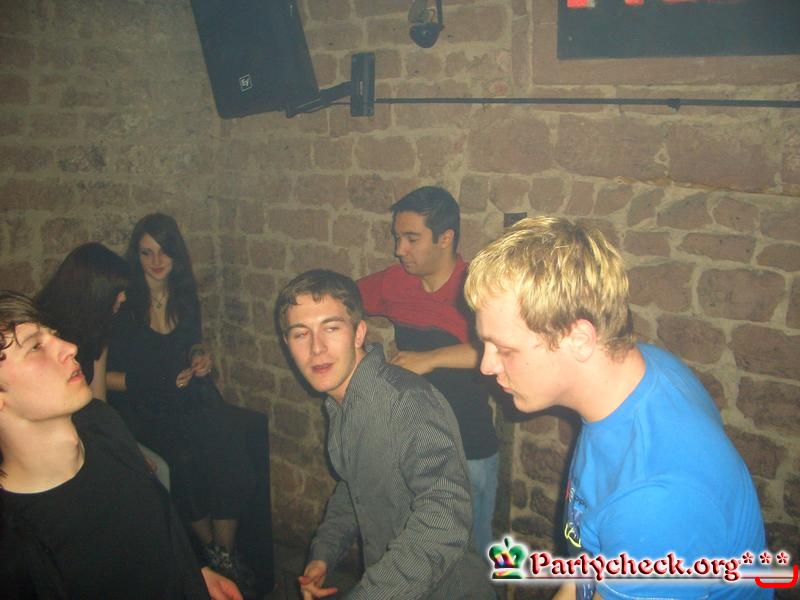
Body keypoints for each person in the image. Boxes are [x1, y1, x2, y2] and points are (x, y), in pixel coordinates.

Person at [463, 216, 769, 599]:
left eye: (504, 348)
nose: (486, 365)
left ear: (579, 339)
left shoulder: (656, 504)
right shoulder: (645, 369)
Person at [0, 290, 241, 600]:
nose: (70, 347)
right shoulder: (16, 541)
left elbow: (160, 514)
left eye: (54, 335)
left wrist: (198, 570)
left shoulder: (100, 422)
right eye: (35, 347)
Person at [276, 269, 495, 600]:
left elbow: (445, 518)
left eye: (331, 328)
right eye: (300, 334)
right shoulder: (343, 402)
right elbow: (355, 487)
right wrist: (323, 553)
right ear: (287, 345)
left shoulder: (407, 402)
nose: (316, 348)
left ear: (358, 333)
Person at [106, 213, 258, 591]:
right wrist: (149, 382)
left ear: (177, 254)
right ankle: (210, 550)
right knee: (184, 457)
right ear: (136, 256)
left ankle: (223, 555)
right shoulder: (123, 303)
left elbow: (192, 343)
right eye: (147, 253)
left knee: (230, 447)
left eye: (164, 251)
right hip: (144, 403)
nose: (157, 261)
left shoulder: (184, 295)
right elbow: (105, 375)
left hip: (190, 393)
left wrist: (200, 356)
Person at [357, 186, 499, 554]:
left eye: (411, 238)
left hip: (468, 446)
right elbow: (341, 300)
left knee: (473, 555)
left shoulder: (476, 287)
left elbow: (499, 350)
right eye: (397, 238)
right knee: (417, 550)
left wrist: (432, 357)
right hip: (413, 444)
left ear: (445, 238)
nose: (399, 249)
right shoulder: (395, 282)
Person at [35, 242, 170, 488]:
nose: (124, 297)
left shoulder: (99, 327)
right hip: (58, 441)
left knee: (158, 471)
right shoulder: (45, 336)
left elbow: (98, 401)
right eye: (118, 291)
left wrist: (125, 446)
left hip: (91, 429)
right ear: (95, 291)